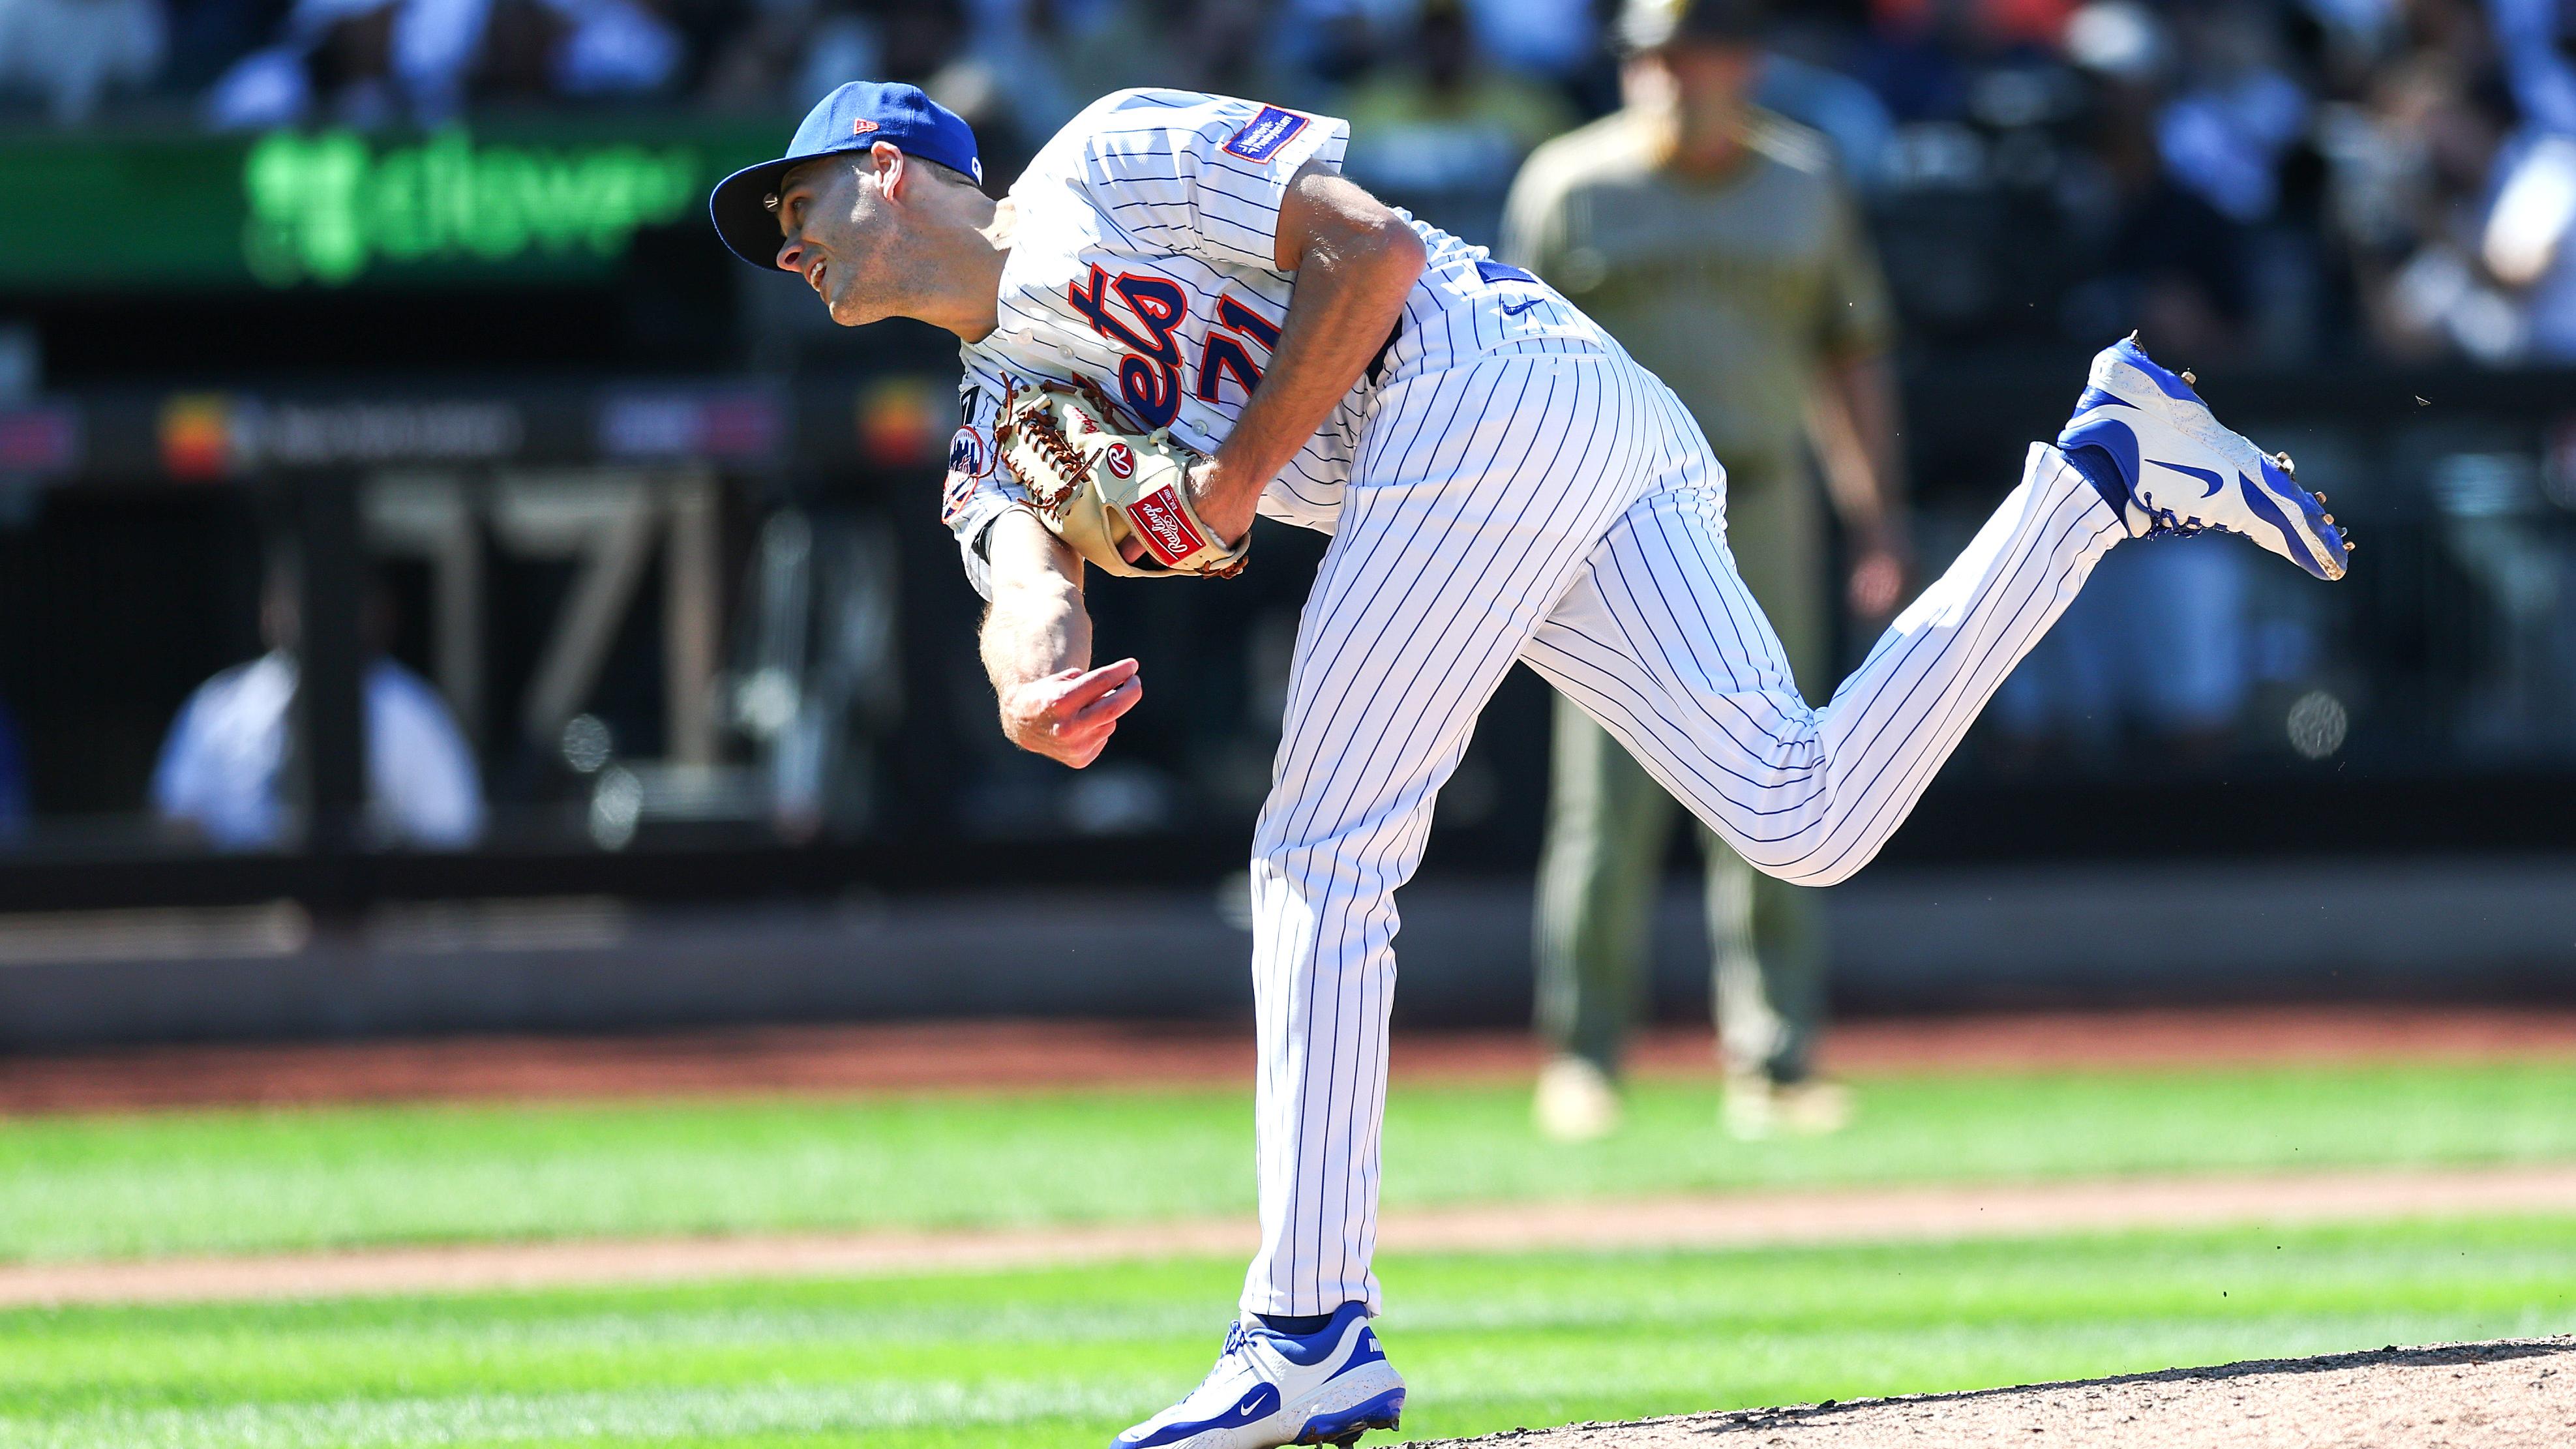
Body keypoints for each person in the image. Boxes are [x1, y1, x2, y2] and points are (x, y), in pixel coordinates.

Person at [707, 78, 2348, 1449]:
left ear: (886, 167)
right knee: (1804, 812)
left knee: (1317, 850)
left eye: (794, 208)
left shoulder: (1106, 158)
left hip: (1486, 385)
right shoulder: (997, 407)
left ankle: (1305, 1325)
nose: (785, 248)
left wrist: (1228, 488)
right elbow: (1017, 577)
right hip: (1560, 440)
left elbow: (1371, 253)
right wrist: (1032, 688)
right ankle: (2106, 467)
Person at [1503, 0, 1909, 1143]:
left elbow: (1853, 348)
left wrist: (1875, 515)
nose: (1679, 74)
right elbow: (1498, 362)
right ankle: (1583, 1056)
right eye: (1656, 54)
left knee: (1783, 773)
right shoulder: (1569, 184)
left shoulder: (1804, 178)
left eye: (1701, 50)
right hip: (1613, 515)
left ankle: (1774, 1060)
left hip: (1765, 491)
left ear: (1749, 59)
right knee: (1605, 797)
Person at [152, 559, 484, 851]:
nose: (306, 612)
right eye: (291, 597)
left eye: (327, 597)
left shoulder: (412, 711)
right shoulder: (219, 706)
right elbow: (177, 819)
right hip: (242, 910)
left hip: (372, 911)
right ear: (268, 607)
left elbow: (453, 833)